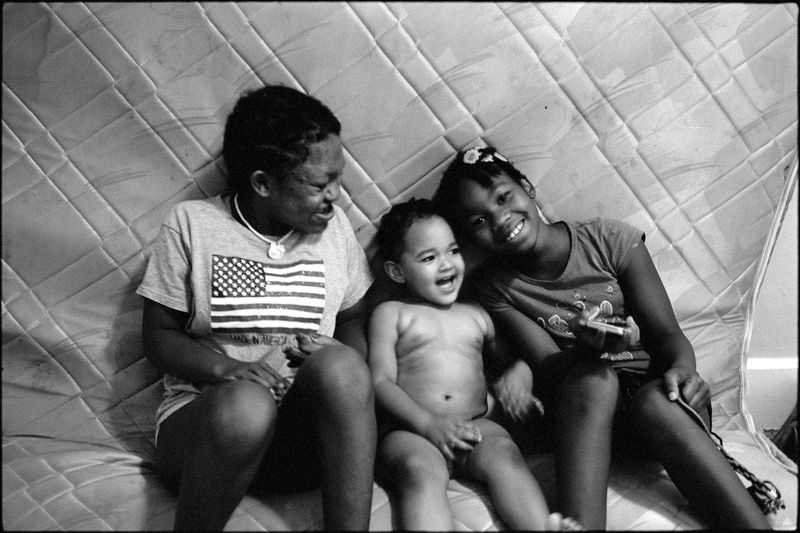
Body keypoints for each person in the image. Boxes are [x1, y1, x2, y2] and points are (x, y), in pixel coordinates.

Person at [432, 145, 773, 530]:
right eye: (479, 220)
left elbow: (667, 336)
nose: (500, 218)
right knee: (594, 380)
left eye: (504, 197)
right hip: (587, 419)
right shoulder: (497, 287)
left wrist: (684, 372)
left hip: (661, 404)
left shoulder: (611, 240)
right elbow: (547, 369)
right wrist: (586, 350)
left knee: (655, 401)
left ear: (527, 186)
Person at [136, 84, 376, 530]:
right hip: (209, 432)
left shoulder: (335, 230)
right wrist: (225, 372)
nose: (337, 197)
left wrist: (347, 360)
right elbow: (158, 337)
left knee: (343, 366)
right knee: (248, 404)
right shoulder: (193, 225)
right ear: (263, 184)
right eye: (321, 185)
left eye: (339, 178)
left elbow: (354, 317)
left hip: (302, 442)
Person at [368, 198, 581, 531]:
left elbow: (512, 362)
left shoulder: (476, 315)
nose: (446, 264)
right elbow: (380, 382)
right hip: (412, 430)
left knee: (506, 457)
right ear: (397, 270)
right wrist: (426, 424)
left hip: (474, 426)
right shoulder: (392, 314)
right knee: (420, 472)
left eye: (452, 251)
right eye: (428, 257)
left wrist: (519, 375)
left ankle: (542, 527)